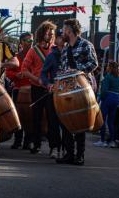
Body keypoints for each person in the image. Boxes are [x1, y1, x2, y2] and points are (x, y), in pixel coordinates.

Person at [56, 19, 98, 166]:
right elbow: (62, 68)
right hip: (67, 90)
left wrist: (77, 70)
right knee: (66, 121)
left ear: (69, 30)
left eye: (63, 29)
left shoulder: (86, 44)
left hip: (82, 88)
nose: (62, 32)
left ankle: (79, 155)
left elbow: (93, 63)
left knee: (80, 122)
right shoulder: (66, 48)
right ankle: (69, 153)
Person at [21, 21, 56, 154]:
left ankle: (54, 147)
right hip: (37, 87)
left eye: (52, 33)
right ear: (42, 34)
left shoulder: (55, 50)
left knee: (52, 118)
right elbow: (24, 70)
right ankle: (36, 144)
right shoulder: (33, 50)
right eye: (48, 33)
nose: (51, 35)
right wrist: (37, 79)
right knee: (36, 117)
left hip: (52, 88)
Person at [40, 29, 65, 158]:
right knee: (53, 122)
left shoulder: (70, 53)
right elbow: (43, 74)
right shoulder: (52, 55)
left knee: (66, 122)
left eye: (61, 36)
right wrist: (48, 84)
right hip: (54, 93)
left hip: (67, 94)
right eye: (59, 37)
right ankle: (54, 147)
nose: (60, 39)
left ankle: (66, 149)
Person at [6, 32, 33, 149]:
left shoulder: (36, 55)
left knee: (30, 117)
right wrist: (17, 75)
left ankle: (28, 142)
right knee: (18, 116)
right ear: (21, 42)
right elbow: (8, 72)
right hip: (18, 89)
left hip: (32, 90)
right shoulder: (16, 57)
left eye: (31, 41)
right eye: (27, 41)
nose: (30, 43)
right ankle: (17, 141)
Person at [94, 61, 119, 148]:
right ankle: (112, 141)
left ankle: (102, 140)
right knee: (111, 121)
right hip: (116, 98)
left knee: (102, 119)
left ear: (109, 67)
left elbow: (104, 91)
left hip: (108, 98)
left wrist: (101, 98)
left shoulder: (107, 77)